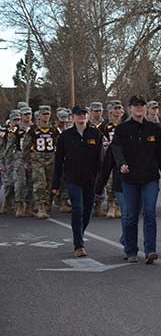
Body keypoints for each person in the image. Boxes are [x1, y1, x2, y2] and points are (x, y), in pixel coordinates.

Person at [111, 95, 161, 264]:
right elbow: (116, 149)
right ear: (130, 108)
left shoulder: (154, 129)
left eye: (142, 105)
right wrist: (121, 164)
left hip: (150, 178)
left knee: (150, 213)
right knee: (131, 216)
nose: (139, 108)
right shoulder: (123, 129)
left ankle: (150, 250)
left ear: (145, 108)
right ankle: (131, 250)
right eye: (136, 105)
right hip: (129, 178)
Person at [51, 105, 103, 257]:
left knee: (87, 212)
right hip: (72, 179)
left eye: (84, 114)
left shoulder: (96, 134)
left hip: (90, 180)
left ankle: (79, 232)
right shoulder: (65, 136)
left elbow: (101, 160)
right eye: (78, 115)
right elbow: (59, 161)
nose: (81, 117)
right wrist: (55, 184)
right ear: (72, 117)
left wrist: (101, 181)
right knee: (78, 209)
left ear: (87, 116)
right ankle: (78, 244)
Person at [22, 105, 61, 220]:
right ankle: (40, 206)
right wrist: (26, 160)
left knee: (50, 183)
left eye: (47, 114)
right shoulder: (33, 129)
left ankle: (47, 203)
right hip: (37, 159)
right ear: (39, 115)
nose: (46, 116)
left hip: (51, 158)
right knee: (40, 183)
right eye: (43, 114)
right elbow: (26, 146)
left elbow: (59, 144)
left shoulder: (54, 129)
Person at [97, 100, 124, 218]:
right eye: (115, 109)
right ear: (110, 111)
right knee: (109, 181)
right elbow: (99, 140)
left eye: (119, 108)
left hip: (121, 157)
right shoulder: (103, 127)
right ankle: (111, 204)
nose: (117, 111)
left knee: (121, 180)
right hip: (108, 156)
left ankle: (118, 205)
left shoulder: (125, 126)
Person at [0, 110, 20, 214]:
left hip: (19, 160)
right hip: (7, 161)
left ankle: (16, 203)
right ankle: (6, 202)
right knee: (8, 183)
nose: (17, 122)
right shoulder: (5, 133)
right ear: (10, 121)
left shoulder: (22, 132)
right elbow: (2, 149)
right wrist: (1, 163)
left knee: (19, 183)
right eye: (15, 120)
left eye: (18, 120)